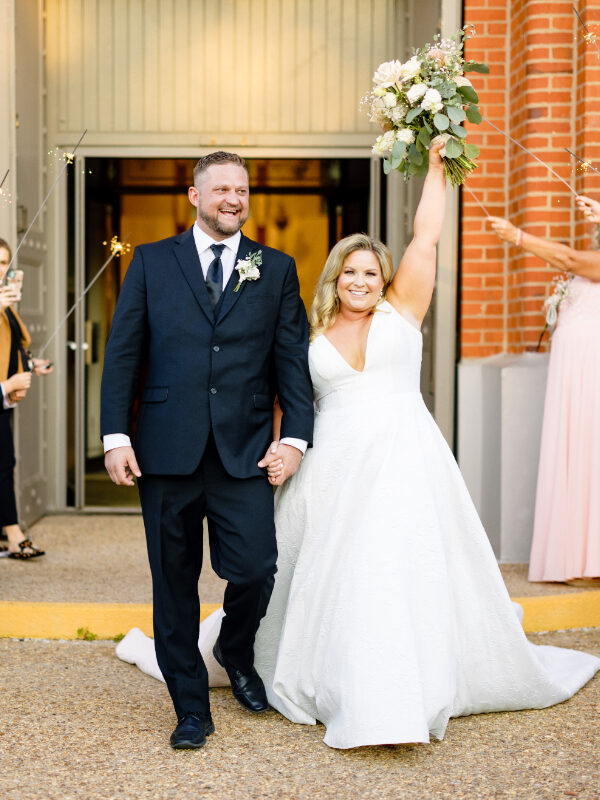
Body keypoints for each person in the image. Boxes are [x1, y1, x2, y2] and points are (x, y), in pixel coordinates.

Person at [117, 141, 600, 749]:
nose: (361, 280)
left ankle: (390, 683)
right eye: (350, 271)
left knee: (366, 569)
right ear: (335, 278)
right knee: (315, 572)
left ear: (385, 278)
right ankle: (234, 696)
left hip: (401, 462)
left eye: (372, 271)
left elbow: (427, 236)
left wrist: (435, 168)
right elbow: (278, 380)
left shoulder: (404, 310)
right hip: (331, 466)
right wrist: (284, 443)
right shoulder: (311, 326)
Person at [101, 152, 314, 750]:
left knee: (255, 568)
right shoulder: (151, 262)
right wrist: (115, 435)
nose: (233, 199)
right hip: (164, 450)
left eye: (241, 190)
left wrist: (294, 437)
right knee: (173, 583)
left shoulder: (274, 268)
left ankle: (235, 648)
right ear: (193, 196)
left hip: (243, 449)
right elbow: (124, 352)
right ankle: (190, 708)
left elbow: (290, 359)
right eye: (220, 189)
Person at [489, 203, 600, 585]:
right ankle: (580, 557)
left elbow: (566, 256)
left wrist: (517, 236)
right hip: (577, 375)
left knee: (589, 452)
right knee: (581, 452)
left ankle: (591, 561)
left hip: (590, 375)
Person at [0, 238, 52, 559]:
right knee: (3, 465)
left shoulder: (6, 309)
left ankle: (8, 533)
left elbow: (10, 349)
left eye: (4, 263)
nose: (2, 270)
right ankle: (13, 533)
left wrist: (30, 365)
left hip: (3, 399)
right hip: (2, 394)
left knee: (4, 464)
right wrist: (7, 387)